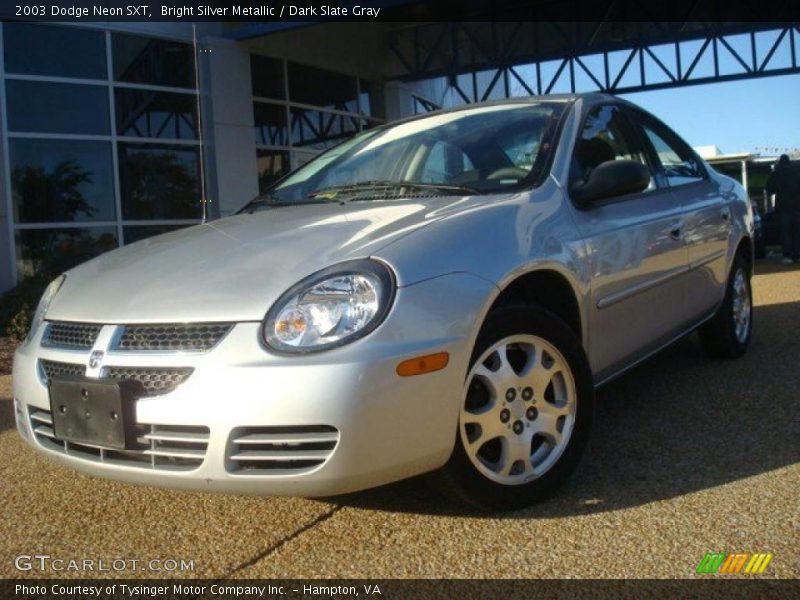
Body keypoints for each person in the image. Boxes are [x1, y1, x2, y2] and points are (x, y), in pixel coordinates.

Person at [765, 154, 800, 264]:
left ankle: (788, 256)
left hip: (783, 207)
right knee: (797, 232)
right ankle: (798, 255)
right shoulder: (797, 171)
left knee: (785, 232)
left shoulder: (777, 172)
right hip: (797, 206)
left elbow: (769, 189)